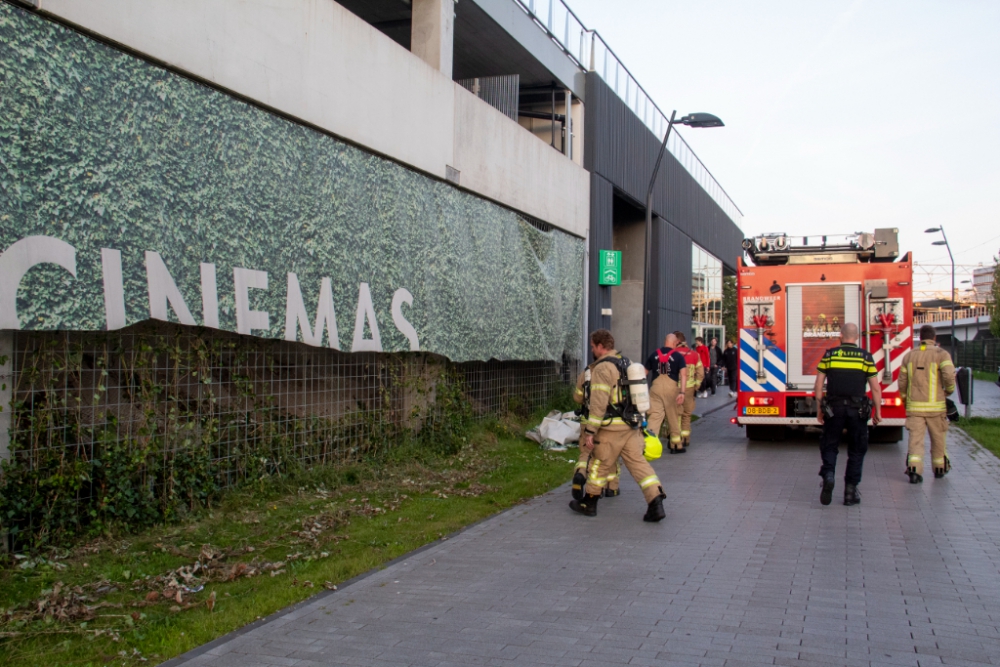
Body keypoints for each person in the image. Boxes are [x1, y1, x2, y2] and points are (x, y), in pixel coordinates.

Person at [570, 329, 667, 522]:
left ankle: (589, 503)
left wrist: (590, 431)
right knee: (639, 465)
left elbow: (598, 404)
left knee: (600, 463)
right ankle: (656, 502)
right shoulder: (627, 363)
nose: (592, 350)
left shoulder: (602, 369)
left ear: (600, 346)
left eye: (592, 347)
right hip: (630, 427)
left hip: (611, 429)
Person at [814, 322, 882, 506]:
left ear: (841, 337)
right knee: (857, 449)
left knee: (829, 445)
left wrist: (819, 408)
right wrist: (878, 411)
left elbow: (819, 385)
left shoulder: (830, 355)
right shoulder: (865, 357)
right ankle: (850, 492)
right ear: (857, 337)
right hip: (857, 411)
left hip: (834, 409)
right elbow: (875, 388)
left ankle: (828, 475)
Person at [898, 325, 956, 483]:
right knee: (938, 440)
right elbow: (950, 376)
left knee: (915, 441)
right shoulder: (942, 355)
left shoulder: (909, 356)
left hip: (915, 408)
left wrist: (905, 399)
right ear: (934, 338)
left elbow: (902, 382)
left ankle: (915, 471)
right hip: (936, 409)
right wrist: (948, 392)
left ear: (921, 337)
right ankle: (939, 469)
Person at [571, 359, 621, 499]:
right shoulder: (613, 371)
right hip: (607, 421)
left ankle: (580, 473)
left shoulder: (586, 372)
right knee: (608, 455)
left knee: (585, 452)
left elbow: (577, 397)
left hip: (587, 419)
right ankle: (611, 487)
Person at [644, 332, 688, 453]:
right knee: (673, 416)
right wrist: (682, 393)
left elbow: (644, 373)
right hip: (671, 389)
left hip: (655, 388)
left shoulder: (653, 355)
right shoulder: (678, 357)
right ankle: (676, 445)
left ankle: (648, 446)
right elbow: (683, 375)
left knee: (655, 416)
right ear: (674, 343)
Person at [675, 332, 703, 449]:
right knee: (686, 414)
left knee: (675, 415)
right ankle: (686, 438)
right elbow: (700, 373)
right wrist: (696, 386)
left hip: (675, 389)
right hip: (689, 388)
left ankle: (676, 440)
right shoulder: (694, 355)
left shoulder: (672, 354)